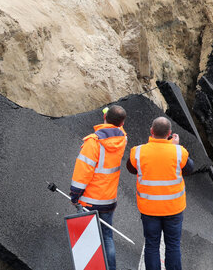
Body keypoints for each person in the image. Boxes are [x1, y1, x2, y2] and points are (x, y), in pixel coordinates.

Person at [126, 117, 195, 270]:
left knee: (152, 244)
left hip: (149, 208)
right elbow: (189, 169)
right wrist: (175, 146)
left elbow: (131, 169)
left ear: (151, 131)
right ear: (169, 133)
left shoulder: (138, 152)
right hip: (173, 208)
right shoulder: (179, 151)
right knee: (173, 245)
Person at [69, 105, 128, 270]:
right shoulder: (122, 139)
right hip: (108, 200)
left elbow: (82, 173)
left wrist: (75, 196)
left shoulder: (93, 142)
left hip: (89, 201)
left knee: (87, 240)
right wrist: (110, 117)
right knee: (107, 237)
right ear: (122, 122)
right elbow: (118, 126)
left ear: (105, 118)